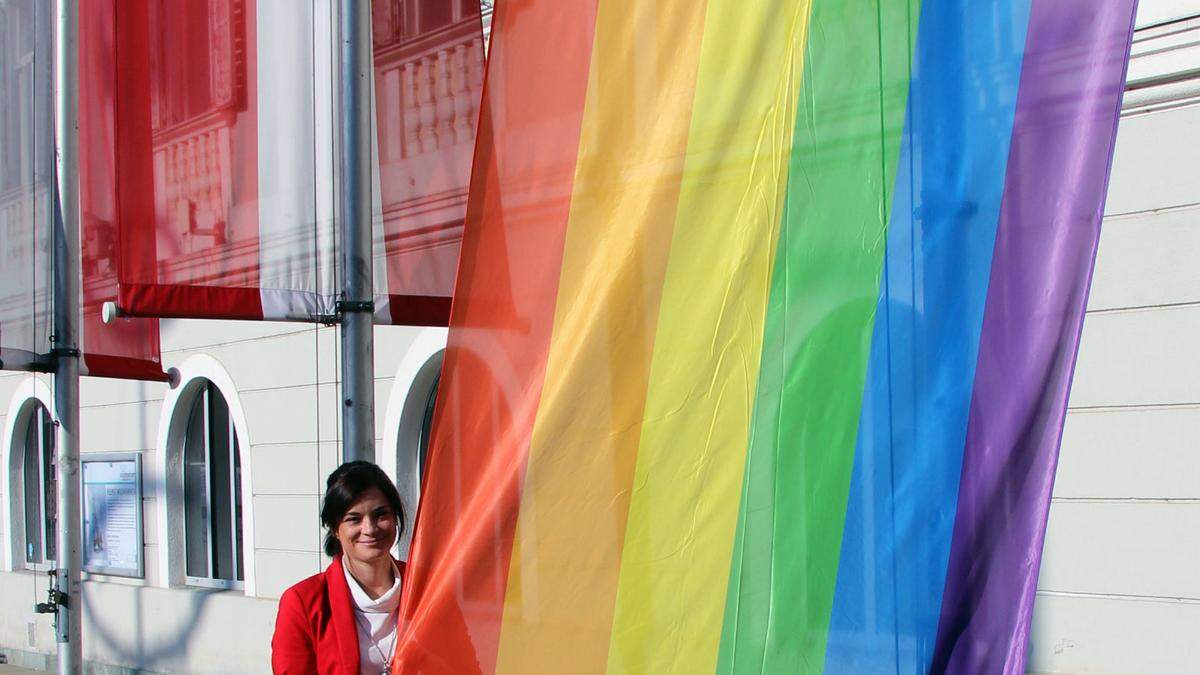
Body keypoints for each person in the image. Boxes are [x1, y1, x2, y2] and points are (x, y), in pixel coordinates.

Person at [272, 461, 407, 674]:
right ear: (335, 528)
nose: (369, 529)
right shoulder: (302, 603)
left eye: (381, 515)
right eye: (354, 519)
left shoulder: (426, 587)